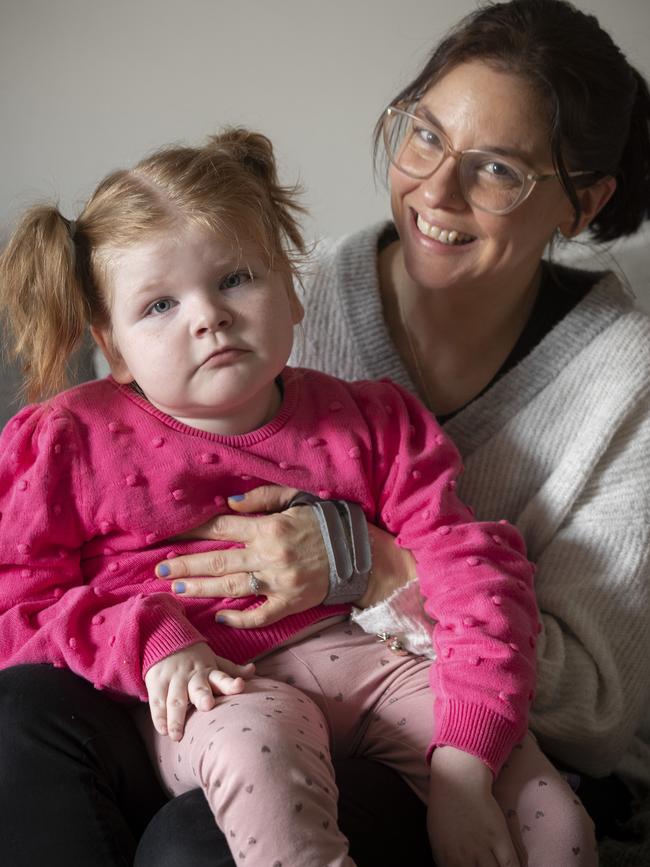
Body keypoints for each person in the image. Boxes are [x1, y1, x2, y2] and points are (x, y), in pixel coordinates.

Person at [0, 0, 647, 864]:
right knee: (20, 715)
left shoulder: (613, 380)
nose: (437, 190)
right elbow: (25, 591)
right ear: (109, 344)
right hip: (204, 689)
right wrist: (152, 637)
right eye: (424, 134)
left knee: (198, 843)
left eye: (498, 170)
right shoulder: (113, 410)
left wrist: (365, 558)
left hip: (440, 691)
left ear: (582, 201)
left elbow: (595, 708)